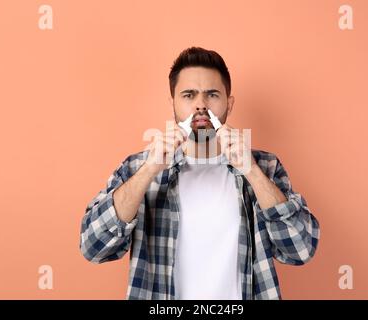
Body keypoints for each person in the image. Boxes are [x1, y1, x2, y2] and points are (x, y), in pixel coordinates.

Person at [80, 47, 320, 300]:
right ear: (172, 102)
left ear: (229, 103)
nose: (201, 105)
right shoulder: (137, 168)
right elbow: (92, 247)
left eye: (212, 95)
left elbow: (300, 250)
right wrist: (149, 170)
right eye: (188, 95)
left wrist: (252, 171)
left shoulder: (265, 167)